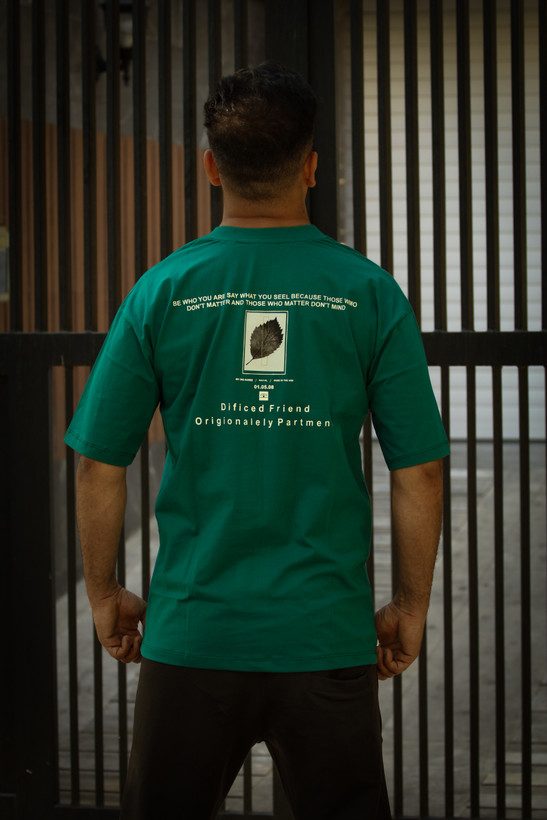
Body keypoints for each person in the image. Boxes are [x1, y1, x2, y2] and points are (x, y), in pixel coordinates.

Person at [65, 62, 449, 820]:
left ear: (210, 167)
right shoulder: (368, 292)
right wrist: (410, 605)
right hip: (325, 636)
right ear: (311, 168)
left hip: (192, 634)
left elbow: (98, 463)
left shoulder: (163, 290)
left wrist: (105, 595)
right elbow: (421, 472)